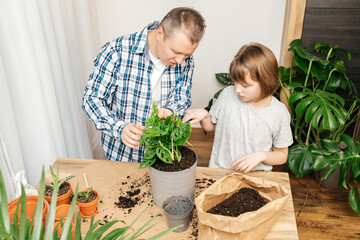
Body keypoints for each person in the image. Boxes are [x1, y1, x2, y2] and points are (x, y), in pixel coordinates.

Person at [82, 7, 206, 162]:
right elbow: (92, 99)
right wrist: (119, 128)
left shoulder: (185, 61)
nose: (181, 60)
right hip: (121, 155)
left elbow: (181, 97)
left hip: (162, 153)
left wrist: (170, 110)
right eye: (176, 52)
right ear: (160, 33)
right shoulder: (116, 52)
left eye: (187, 55)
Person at [182, 43, 293, 172]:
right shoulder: (227, 95)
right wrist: (205, 115)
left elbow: (282, 155)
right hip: (220, 172)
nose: (237, 89)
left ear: (265, 81)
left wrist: (261, 155)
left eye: (245, 85)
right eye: (235, 82)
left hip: (256, 177)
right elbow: (211, 127)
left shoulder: (279, 113)